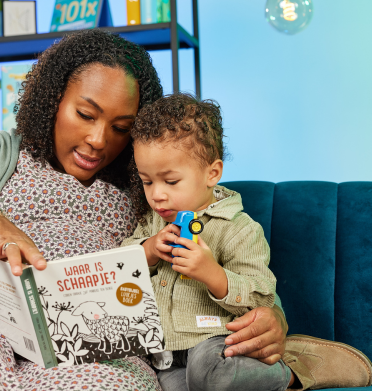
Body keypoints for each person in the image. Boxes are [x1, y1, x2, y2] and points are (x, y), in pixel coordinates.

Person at [0, 29, 369, 390]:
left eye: (121, 127)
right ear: (53, 99)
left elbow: (239, 254)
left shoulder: (146, 184)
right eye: (86, 114)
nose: (97, 140)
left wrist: (274, 321)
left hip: (100, 346)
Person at [121, 93, 372, 391]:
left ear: (212, 173)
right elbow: (120, 265)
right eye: (147, 181)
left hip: (217, 347)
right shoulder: (153, 222)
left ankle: (294, 372)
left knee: (209, 371)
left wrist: (213, 274)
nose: (157, 195)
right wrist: (147, 250)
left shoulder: (239, 229)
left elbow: (262, 297)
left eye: (171, 181)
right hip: (165, 358)